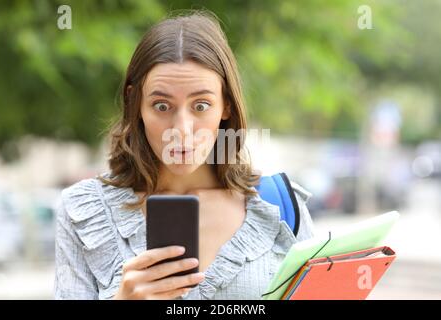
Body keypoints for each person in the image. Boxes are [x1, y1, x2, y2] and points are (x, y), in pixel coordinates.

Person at [54, 10, 315, 300]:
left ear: (226, 105)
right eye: (162, 106)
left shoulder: (279, 208)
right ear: (135, 101)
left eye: (200, 106)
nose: (182, 129)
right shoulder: (84, 213)